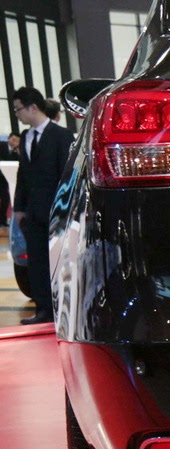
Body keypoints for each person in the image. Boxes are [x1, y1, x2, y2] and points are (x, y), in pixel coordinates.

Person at [11, 87, 73, 324]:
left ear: (32, 107)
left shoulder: (61, 135)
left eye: (18, 109)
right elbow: (23, 176)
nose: (17, 114)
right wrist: (19, 208)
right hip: (32, 213)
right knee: (36, 262)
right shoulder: (26, 137)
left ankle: (63, 309)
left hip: (56, 211)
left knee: (59, 261)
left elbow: (66, 175)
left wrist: (65, 208)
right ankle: (43, 309)